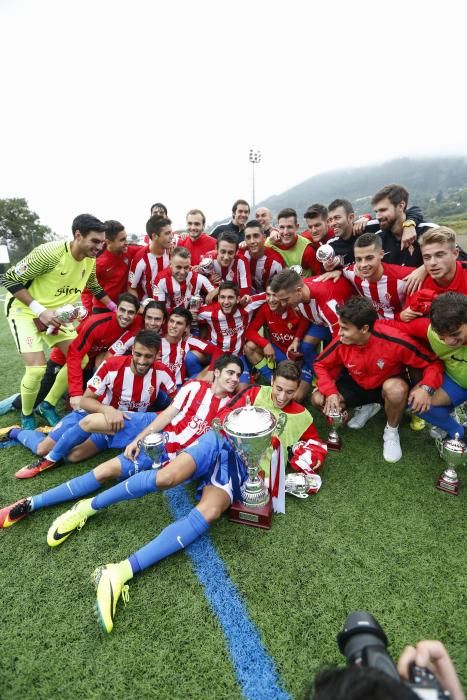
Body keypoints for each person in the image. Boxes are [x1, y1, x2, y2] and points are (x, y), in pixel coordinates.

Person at [40, 362, 324, 634]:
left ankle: (118, 572)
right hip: (218, 444)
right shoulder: (253, 393)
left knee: (210, 513)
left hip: (239, 471)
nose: (282, 396)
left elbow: (314, 447)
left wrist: (305, 463)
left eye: (290, 391)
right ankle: (87, 507)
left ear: (298, 389)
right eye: (279, 388)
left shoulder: (304, 418)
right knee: (166, 478)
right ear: (271, 382)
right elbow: (223, 420)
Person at [0, 354, 244, 529]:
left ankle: (82, 503)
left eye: (238, 375)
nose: (234, 379)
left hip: (181, 462)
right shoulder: (193, 388)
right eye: (230, 373)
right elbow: (166, 416)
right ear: (217, 373)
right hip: (157, 445)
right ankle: (31, 502)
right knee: (104, 470)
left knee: (87, 459)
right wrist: (139, 440)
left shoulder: (234, 408)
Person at [13, 330, 177, 478]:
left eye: (148, 356)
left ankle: (74, 439)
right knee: (43, 449)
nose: (142, 361)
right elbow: (85, 400)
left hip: (117, 426)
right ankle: (16, 432)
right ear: (132, 350)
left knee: (72, 456)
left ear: (157, 355)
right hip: (91, 414)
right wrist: (107, 409)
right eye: (138, 354)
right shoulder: (112, 366)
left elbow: (179, 401)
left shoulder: (163, 372)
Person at [2, 213, 113, 430]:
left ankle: (47, 404)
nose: (99, 247)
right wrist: (40, 310)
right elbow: (9, 279)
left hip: (57, 316)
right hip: (25, 310)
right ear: (78, 235)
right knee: (36, 370)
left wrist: (113, 307)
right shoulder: (50, 253)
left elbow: (93, 285)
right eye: (95, 241)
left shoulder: (90, 260)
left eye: (102, 242)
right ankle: (26, 414)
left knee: (78, 359)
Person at [311, 296, 443, 462]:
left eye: (345, 328)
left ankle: (391, 432)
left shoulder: (395, 339)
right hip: (357, 384)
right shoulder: (342, 341)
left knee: (395, 390)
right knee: (318, 399)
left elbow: (433, 363)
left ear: (364, 329)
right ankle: (365, 407)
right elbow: (320, 364)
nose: (339, 333)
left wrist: (426, 388)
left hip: (385, 386)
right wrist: (330, 392)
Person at [401, 226, 467, 321]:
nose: (432, 263)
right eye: (427, 257)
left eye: (439, 255)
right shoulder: (417, 282)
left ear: (455, 253)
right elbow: (408, 320)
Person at [81, 220, 142, 314]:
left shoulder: (129, 251)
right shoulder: (98, 262)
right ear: (108, 242)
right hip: (103, 309)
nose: (126, 242)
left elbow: (149, 249)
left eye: (126, 238)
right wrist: (88, 314)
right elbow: (87, 291)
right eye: (122, 240)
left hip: (124, 308)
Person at [371, 184, 436, 267]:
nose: (378, 217)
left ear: (401, 206)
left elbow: (454, 259)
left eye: (383, 210)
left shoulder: (429, 231)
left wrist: (424, 269)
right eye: (376, 212)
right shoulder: (377, 239)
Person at [152, 246, 215, 312]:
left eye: (186, 267)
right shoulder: (160, 279)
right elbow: (159, 309)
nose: (182, 272)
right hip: (170, 319)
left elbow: (220, 296)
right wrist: (186, 314)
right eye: (178, 267)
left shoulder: (198, 278)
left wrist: (199, 312)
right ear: (170, 264)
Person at [128, 215, 173, 300]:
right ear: (154, 236)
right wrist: (139, 308)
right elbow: (131, 287)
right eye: (167, 233)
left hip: (171, 304)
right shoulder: (140, 258)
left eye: (171, 232)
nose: (171, 236)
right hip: (150, 306)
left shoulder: (173, 252)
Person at [266, 208, 320, 276]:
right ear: (278, 227)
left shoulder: (306, 250)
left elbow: (319, 275)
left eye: (289, 227)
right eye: (282, 227)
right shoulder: (269, 243)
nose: (285, 232)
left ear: (297, 227)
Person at [241, 219, 284, 292]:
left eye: (256, 236)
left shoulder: (275, 262)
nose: (252, 241)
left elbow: (280, 290)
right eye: (248, 237)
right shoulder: (241, 254)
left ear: (264, 237)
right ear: (244, 239)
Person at [204, 232, 251, 299]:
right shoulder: (207, 259)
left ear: (236, 251)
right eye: (223, 252)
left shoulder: (241, 261)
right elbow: (199, 283)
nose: (226, 257)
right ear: (216, 248)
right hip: (215, 301)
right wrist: (208, 280)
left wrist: (219, 289)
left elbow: (246, 291)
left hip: (234, 303)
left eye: (230, 253)